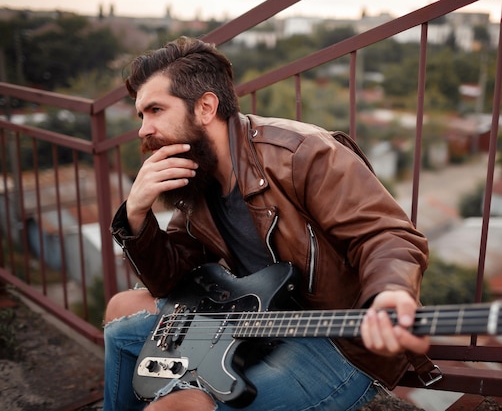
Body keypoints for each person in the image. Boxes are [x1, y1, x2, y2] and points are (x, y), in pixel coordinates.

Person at [104, 35, 430, 411]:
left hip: (336, 337)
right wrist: (136, 214)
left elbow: (386, 234)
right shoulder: (200, 175)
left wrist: (389, 293)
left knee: (173, 408)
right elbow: (171, 282)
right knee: (121, 335)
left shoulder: (302, 153)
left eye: (156, 110)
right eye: (142, 115)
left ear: (206, 107)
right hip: (254, 319)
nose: (143, 129)